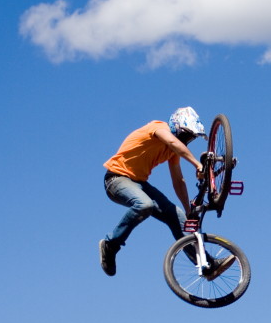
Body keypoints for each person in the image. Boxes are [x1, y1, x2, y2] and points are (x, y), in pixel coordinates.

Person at [99, 107, 233, 278]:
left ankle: (208, 265)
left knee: (176, 216)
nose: (186, 142)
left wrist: (188, 211)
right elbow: (173, 143)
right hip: (116, 179)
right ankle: (111, 245)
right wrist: (198, 165)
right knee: (144, 205)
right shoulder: (158, 127)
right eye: (186, 136)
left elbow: (178, 181)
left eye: (190, 139)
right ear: (176, 126)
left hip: (139, 183)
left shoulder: (173, 152)